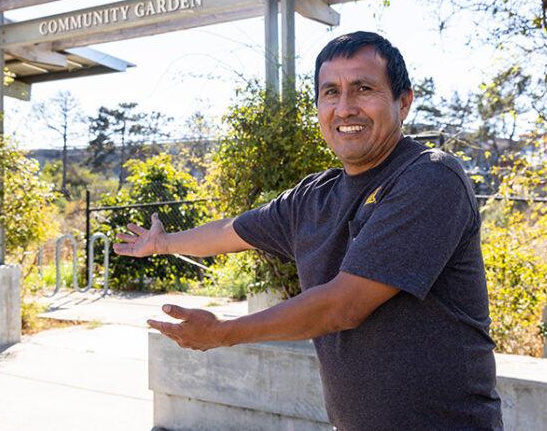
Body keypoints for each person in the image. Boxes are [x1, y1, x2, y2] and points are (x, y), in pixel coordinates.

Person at [114, 31, 503, 430]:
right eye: (330, 92)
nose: (345, 107)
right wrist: (162, 243)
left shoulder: (429, 177)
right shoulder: (314, 197)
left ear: (403, 102)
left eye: (363, 88)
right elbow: (233, 231)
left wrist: (221, 333)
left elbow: (343, 305)